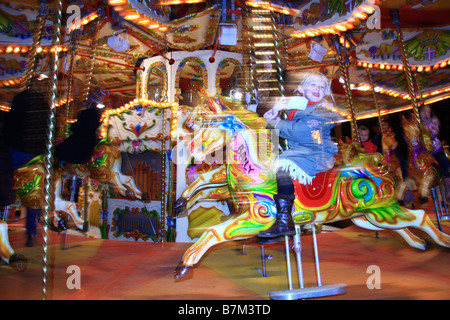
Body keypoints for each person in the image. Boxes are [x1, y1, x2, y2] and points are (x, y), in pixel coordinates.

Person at [259, 71, 339, 238]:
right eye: (313, 84)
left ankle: (284, 220)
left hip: (314, 154)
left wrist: (276, 122)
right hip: (303, 151)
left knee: (281, 167)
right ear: (301, 88)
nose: (318, 88)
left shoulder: (323, 109)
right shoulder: (301, 108)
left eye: (322, 87)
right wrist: (274, 112)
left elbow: (301, 132)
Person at [3, 77, 51, 246]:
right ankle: (31, 232)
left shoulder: (20, 98)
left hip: (19, 148)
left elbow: (12, 123)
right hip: (37, 154)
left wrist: (7, 140)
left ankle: (7, 201)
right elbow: (48, 128)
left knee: (6, 176)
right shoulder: (45, 103)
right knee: (33, 192)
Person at [419, 104, 450, 200]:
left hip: (435, 149)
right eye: (423, 112)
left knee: (446, 164)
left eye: (428, 112)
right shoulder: (416, 124)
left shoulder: (433, 122)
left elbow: (434, 132)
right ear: (419, 113)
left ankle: (448, 188)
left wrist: (424, 130)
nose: (426, 114)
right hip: (422, 152)